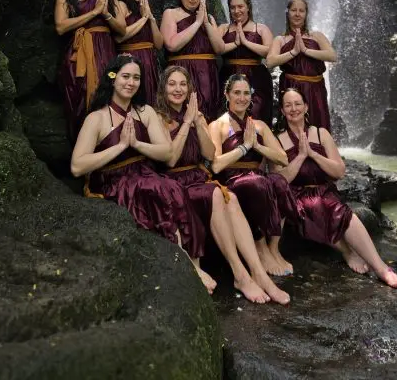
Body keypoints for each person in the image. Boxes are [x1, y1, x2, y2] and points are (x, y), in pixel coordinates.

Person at [70, 55, 215, 293]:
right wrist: (119, 146)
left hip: (144, 172)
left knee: (171, 186)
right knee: (158, 188)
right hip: (113, 180)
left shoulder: (145, 111)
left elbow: (165, 151)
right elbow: (77, 166)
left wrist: (136, 144)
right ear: (113, 78)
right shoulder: (96, 118)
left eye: (136, 78)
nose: (131, 82)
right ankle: (187, 264)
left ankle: (194, 262)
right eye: (126, 76)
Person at [156, 66, 290, 305]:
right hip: (174, 181)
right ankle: (240, 273)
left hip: (197, 177)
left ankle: (259, 273)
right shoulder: (158, 118)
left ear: (190, 90)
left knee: (232, 198)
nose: (178, 89)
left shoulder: (198, 117)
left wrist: (197, 122)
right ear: (163, 88)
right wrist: (187, 123)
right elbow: (171, 159)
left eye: (183, 84)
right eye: (172, 84)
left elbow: (207, 153)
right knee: (219, 192)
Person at [277, 87, 397, 288]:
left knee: (342, 212)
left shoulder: (321, 134)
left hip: (324, 190)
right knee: (314, 206)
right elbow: (281, 179)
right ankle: (348, 251)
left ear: (306, 107)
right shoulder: (278, 140)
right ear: (282, 111)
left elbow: (339, 172)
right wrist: (301, 156)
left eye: (297, 104)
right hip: (296, 194)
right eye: (288, 105)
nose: (293, 109)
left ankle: (382, 269)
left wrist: (313, 154)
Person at [209, 75, 297, 277]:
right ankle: (260, 248)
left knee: (279, 181)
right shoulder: (217, 125)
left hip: (258, 175)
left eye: (246, 93)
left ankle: (274, 247)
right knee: (257, 183)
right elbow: (216, 164)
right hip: (233, 180)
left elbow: (283, 158)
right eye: (237, 93)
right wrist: (244, 147)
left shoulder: (260, 126)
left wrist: (257, 145)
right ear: (227, 95)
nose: (242, 98)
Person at [55, 0, 127, 141]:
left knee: (108, 95)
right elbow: (61, 26)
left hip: (105, 52)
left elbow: (122, 29)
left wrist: (105, 14)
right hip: (78, 55)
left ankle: (108, 153)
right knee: (77, 100)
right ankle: (82, 157)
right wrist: (94, 13)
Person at [266, 0, 336, 130]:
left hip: (315, 89)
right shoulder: (281, 39)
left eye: (301, 11)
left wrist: (305, 50)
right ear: (288, 13)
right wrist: (293, 52)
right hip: (291, 86)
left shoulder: (316, 36)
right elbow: (270, 62)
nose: (297, 14)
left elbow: (332, 55)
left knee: (318, 124)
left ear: (306, 13)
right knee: (292, 126)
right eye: (293, 10)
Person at [161, 0, 224, 121]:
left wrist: (206, 22)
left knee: (208, 116)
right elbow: (171, 44)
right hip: (182, 72)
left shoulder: (209, 18)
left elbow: (220, 49)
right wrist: (197, 23)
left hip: (208, 75)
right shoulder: (171, 14)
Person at [218, 0, 274, 125]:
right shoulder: (223, 29)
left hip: (256, 78)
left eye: (240, 6)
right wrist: (236, 43)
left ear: (248, 7)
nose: (236, 11)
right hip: (227, 76)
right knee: (226, 116)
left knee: (257, 115)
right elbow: (215, 49)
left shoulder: (260, 28)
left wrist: (246, 42)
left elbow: (270, 52)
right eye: (232, 7)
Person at [115, 0, 163, 105]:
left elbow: (159, 44)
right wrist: (143, 19)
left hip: (149, 62)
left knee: (149, 101)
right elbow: (120, 37)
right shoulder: (122, 5)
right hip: (129, 60)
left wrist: (151, 18)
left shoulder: (146, 8)